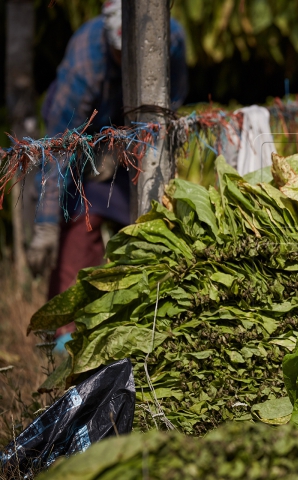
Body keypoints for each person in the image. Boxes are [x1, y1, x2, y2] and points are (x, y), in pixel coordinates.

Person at [26, 0, 189, 349]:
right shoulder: (84, 65)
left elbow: (171, 102)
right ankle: (63, 332)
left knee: (152, 224)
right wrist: (45, 226)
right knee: (80, 219)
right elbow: (58, 150)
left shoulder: (170, 39)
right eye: (120, 54)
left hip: (136, 140)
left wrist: (127, 150)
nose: (125, 61)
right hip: (82, 143)